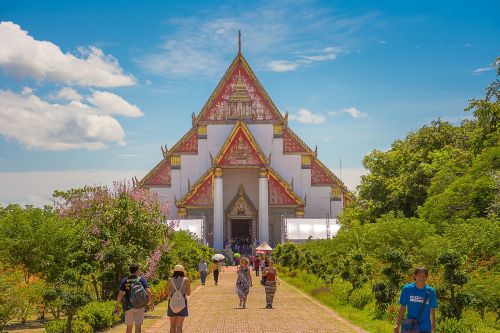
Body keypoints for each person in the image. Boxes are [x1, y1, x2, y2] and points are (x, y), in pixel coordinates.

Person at [394, 267, 438, 333]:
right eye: (419, 276)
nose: (422, 278)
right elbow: (402, 308)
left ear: (426, 277)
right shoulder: (407, 289)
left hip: (425, 327)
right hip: (411, 326)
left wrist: (433, 324)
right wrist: (397, 324)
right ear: (415, 276)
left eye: (424, 276)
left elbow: (432, 309)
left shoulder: (431, 291)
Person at [115, 263, 154, 333]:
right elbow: (148, 291)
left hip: (128, 306)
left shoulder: (125, 280)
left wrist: (117, 305)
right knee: (138, 326)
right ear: (137, 271)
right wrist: (151, 302)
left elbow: (120, 294)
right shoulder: (141, 279)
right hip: (139, 305)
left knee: (129, 326)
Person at [167, 265, 191, 333]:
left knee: (172, 325)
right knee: (179, 326)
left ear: (174, 271)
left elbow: (167, 293)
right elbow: (189, 293)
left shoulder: (170, 280)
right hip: (182, 303)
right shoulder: (186, 280)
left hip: (172, 303)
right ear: (182, 272)